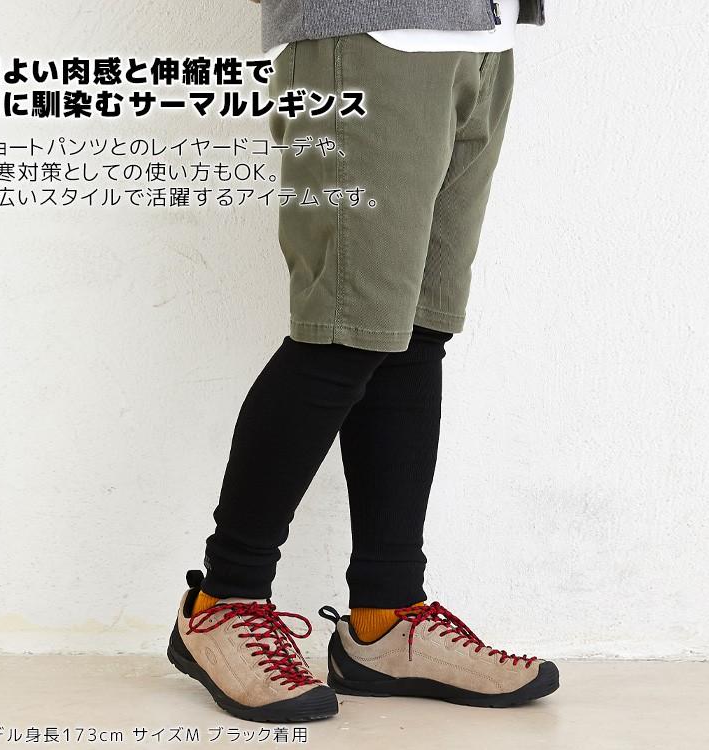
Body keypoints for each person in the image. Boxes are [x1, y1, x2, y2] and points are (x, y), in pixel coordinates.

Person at [166, 0, 559, 723]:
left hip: (485, 36)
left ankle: (386, 619)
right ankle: (224, 601)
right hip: (370, 29)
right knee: (342, 333)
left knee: (415, 332)